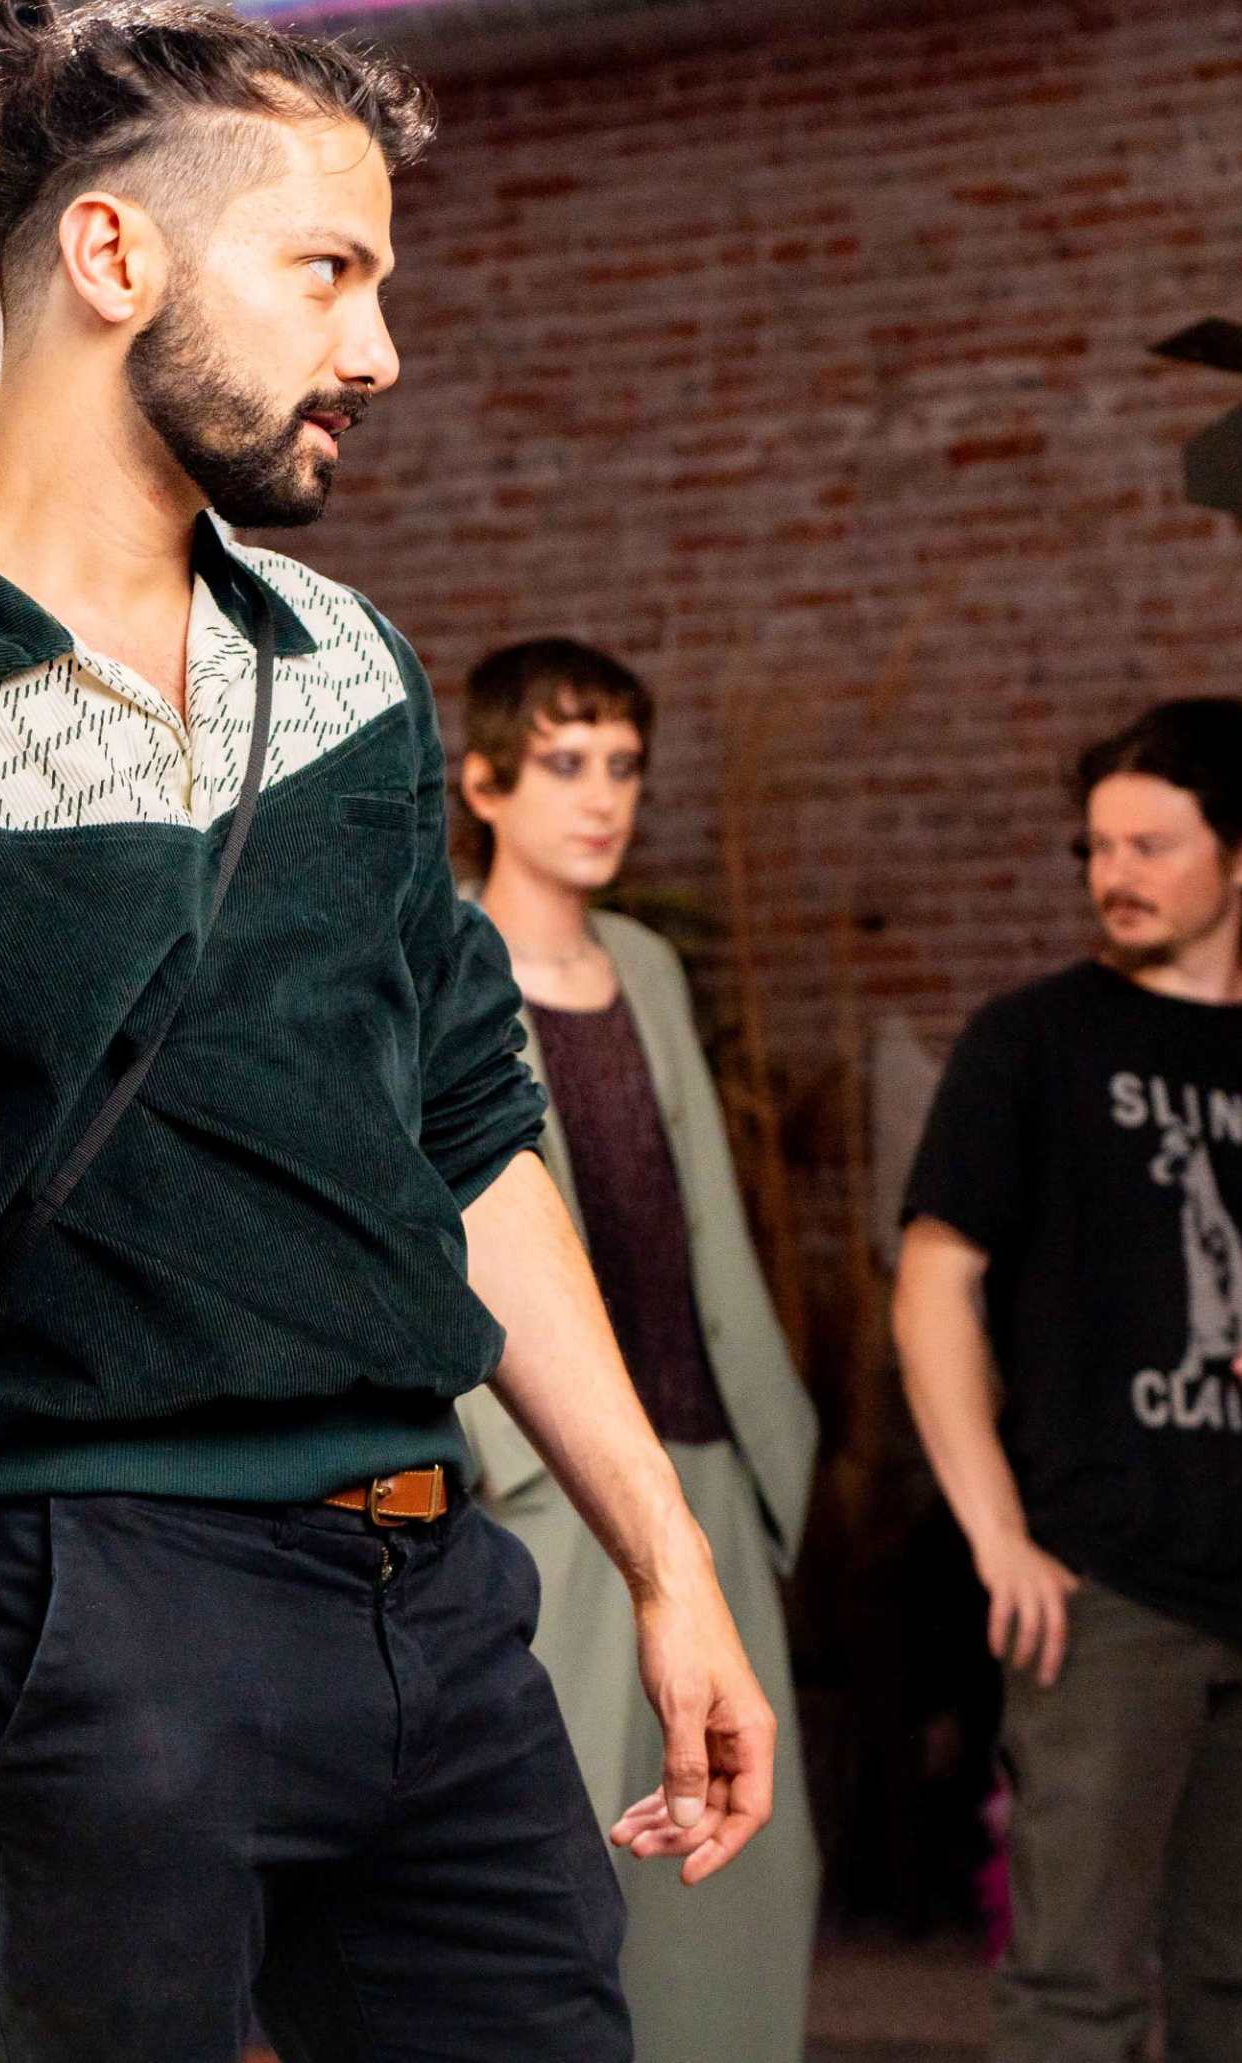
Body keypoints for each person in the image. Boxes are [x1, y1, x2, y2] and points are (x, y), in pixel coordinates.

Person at [0, 0, 778, 2063]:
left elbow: (465, 1125)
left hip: (441, 1592)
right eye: (327, 271)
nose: (378, 347)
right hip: (86, 1619)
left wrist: (665, 1552)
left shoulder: (345, 666)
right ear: (114, 257)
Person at [891, 699, 1242, 2063]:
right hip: (1105, 1586)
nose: (1114, 875)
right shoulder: (1033, 1043)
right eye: (1098, 847)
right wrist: (997, 1535)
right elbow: (933, 1287)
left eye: (1151, 845)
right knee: (1073, 1986)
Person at [452, 638, 825, 2063]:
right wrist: (500, 1460)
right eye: (563, 764)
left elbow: (695, 1225)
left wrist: (767, 1436)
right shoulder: (438, 953)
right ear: (485, 781)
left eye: (621, 767)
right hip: (542, 1484)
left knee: (737, 1860)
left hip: (712, 1459)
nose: (601, 798)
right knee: (555, 1864)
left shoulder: (653, 967)